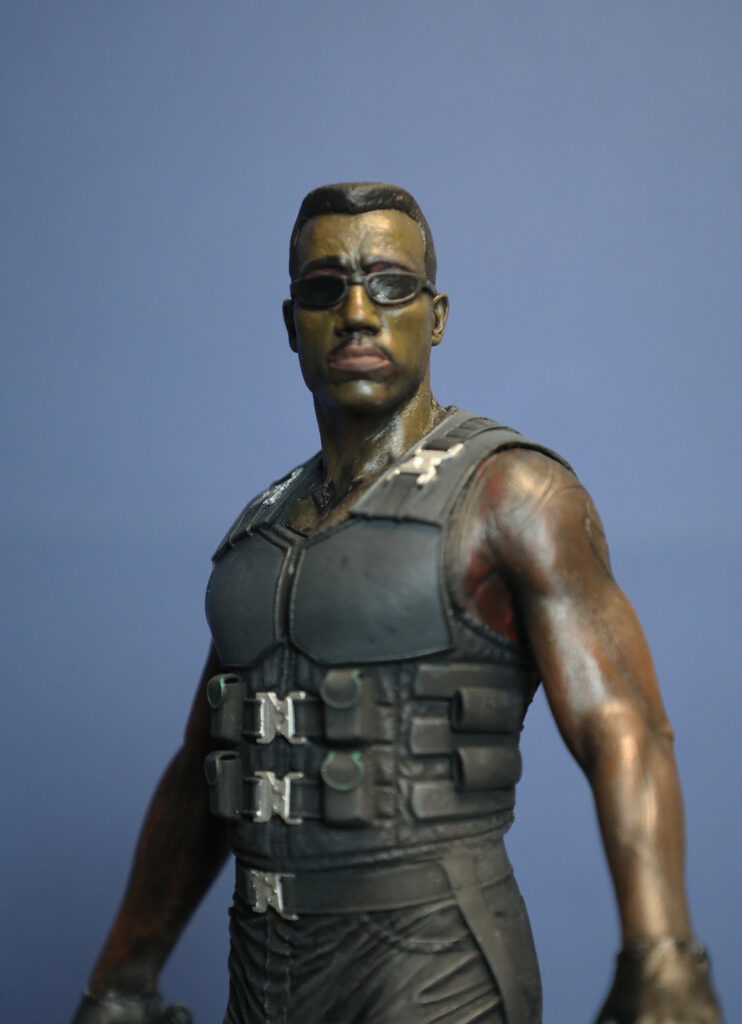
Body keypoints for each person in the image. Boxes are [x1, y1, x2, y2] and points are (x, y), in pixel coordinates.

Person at [72, 183, 723, 1024]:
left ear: (435, 315)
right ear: (292, 324)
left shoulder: (512, 495)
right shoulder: (257, 537)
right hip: (263, 970)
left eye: (389, 284)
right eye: (324, 289)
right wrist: (122, 980)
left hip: (433, 966)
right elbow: (207, 768)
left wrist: (663, 953)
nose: (356, 312)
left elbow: (622, 725)